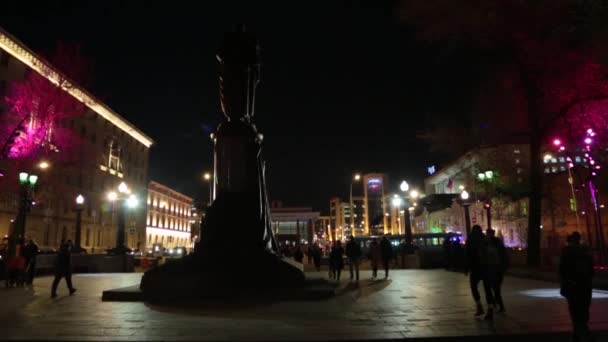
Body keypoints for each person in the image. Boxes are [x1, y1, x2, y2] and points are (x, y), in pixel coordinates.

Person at [560, 232, 594, 342]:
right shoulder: (586, 251)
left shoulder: (566, 251)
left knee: (574, 308)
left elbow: (562, 270)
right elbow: (591, 269)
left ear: (570, 240)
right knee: (584, 308)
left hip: (572, 284)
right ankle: (583, 329)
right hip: (585, 285)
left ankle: (577, 331)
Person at [465, 225, 486, 317]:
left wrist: (466, 268)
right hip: (486, 266)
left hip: (475, 267)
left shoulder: (470, 239)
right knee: (488, 288)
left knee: (474, 287)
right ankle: (492, 306)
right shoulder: (484, 239)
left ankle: (479, 305)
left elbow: (467, 255)